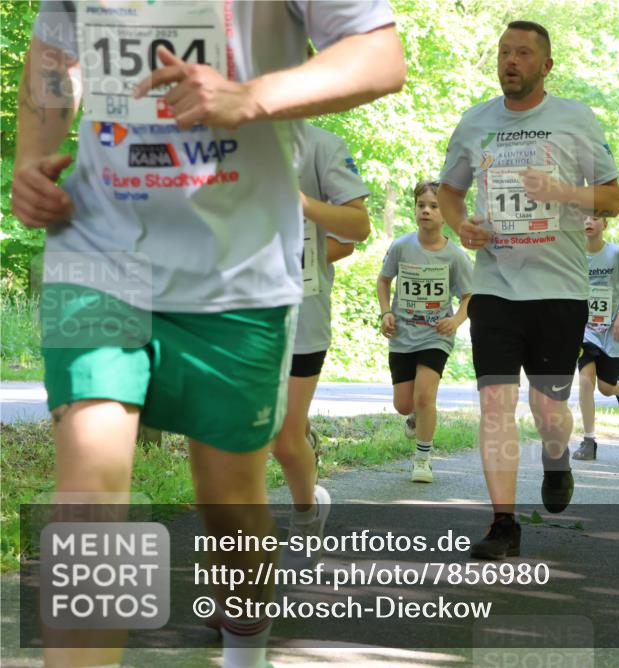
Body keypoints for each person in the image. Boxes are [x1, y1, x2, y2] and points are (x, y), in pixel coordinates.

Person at [14, 3, 404, 667]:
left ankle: (245, 649)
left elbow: (379, 56)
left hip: (236, 268)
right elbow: (56, 53)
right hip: (99, 250)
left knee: (227, 505)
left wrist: (251, 96)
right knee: (89, 489)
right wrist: (32, 158)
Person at [437, 20, 619, 559]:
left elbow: (611, 199)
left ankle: (557, 457)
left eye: (522, 53)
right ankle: (503, 524)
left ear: (546, 66)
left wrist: (561, 190)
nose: (510, 61)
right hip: (494, 285)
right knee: (495, 403)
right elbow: (450, 191)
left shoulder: (575, 119)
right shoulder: (475, 123)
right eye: (503, 52)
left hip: (558, 289)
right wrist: (461, 226)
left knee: (547, 411)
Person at [274, 124, 371, 570]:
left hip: (301, 319)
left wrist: (300, 210)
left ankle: (306, 511)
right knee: (234, 444)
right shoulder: (220, 139)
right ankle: (239, 581)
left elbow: (357, 227)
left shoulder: (321, 146)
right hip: (230, 314)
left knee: (283, 438)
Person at [377, 181, 473, 483]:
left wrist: (456, 320)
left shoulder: (455, 256)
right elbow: (383, 281)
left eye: (434, 206)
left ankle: (423, 459)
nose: (427, 211)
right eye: (422, 206)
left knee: (425, 395)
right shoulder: (402, 247)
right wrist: (386, 312)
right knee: (404, 404)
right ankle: (416, 416)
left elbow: (470, 296)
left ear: (445, 215)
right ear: (415, 209)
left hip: (436, 335)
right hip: (402, 334)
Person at [572, 215, 619, 461]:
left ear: (605, 225)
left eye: (595, 218)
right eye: (585, 217)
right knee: (585, 381)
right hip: (584, 329)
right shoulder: (573, 254)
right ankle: (589, 441)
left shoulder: (617, 255)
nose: (588, 222)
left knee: (604, 387)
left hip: (613, 328)